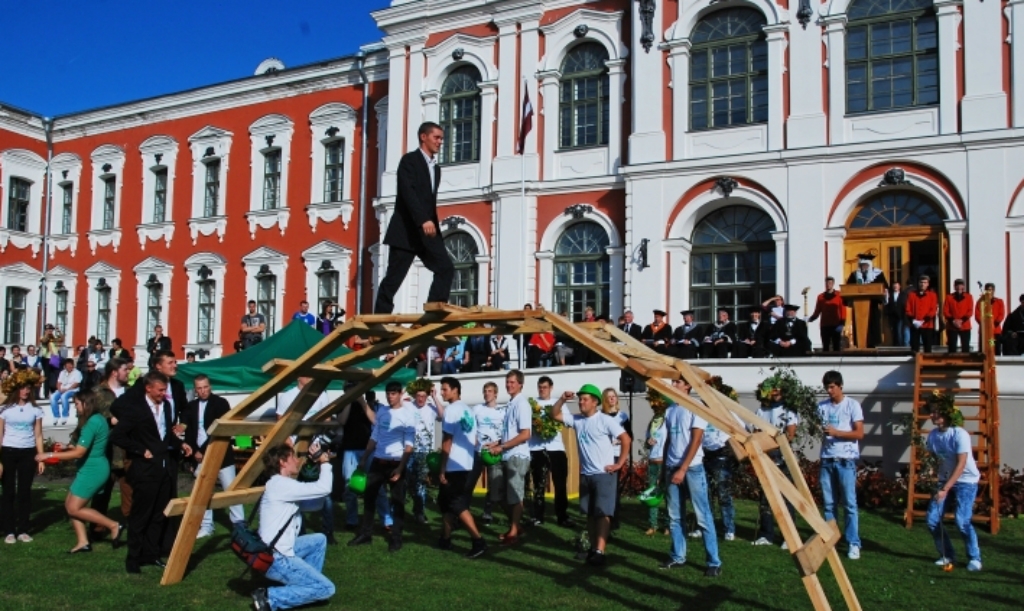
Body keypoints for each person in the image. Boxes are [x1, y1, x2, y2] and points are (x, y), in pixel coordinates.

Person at [109, 370, 194, 573]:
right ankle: (133, 558)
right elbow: (118, 436)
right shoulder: (135, 409)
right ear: (148, 388)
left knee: (159, 515)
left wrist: (181, 445)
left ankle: (151, 554)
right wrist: (140, 450)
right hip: (144, 469)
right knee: (141, 515)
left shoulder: (165, 406)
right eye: (160, 390)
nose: (163, 394)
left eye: (165, 390)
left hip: (163, 467)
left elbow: (164, 435)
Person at [374, 121, 454, 313]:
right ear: (423, 137)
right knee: (394, 278)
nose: (440, 142)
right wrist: (423, 219)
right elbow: (407, 193)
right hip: (407, 231)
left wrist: (431, 223)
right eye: (436, 137)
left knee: (445, 267)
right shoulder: (409, 161)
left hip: (427, 232)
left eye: (441, 138)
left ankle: (434, 309)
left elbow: (429, 200)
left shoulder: (436, 168)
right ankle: (379, 320)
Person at [550, 385, 629, 566]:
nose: (581, 402)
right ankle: (593, 549)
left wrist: (620, 463)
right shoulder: (577, 420)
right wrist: (562, 399)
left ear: (595, 402)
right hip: (586, 474)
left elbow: (626, 439)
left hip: (604, 474)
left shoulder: (604, 420)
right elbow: (554, 415)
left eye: (585, 399)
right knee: (590, 514)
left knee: (602, 513)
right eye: (580, 399)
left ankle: (600, 551)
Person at [35, 391, 124, 553]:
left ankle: (113, 525)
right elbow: (85, 447)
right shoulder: (99, 420)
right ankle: (83, 542)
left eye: (76, 404)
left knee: (74, 508)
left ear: (85, 404)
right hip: (91, 468)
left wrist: (48, 455)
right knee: (70, 505)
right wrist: (67, 447)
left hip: (93, 470)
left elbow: (79, 453)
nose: (75, 407)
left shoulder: (91, 423)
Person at [250, 444, 336, 611]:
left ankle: (308, 587)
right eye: (293, 457)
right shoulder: (282, 485)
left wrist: (317, 466)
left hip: (275, 551)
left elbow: (315, 504)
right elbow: (324, 488)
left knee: (319, 539)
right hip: (277, 559)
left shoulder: (281, 484)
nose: (297, 461)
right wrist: (324, 462)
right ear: (282, 462)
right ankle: (269, 598)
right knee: (328, 588)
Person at [658, 378, 721, 577]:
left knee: (703, 516)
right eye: (673, 381)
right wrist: (664, 471)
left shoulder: (696, 407)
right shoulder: (670, 410)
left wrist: (682, 469)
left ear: (688, 386)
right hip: (671, 467)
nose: (673, 384)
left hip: (692, 469)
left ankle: (714, 562)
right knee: (675, 516)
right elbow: (668, 441)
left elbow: (696, 440)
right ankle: (678, 556)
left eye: (678, 381)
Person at [349, 381, 416, 552]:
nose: (390, 396)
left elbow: (409, 446)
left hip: (396, 462)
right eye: (388, 393)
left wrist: (400, 469)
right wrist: (364, 459)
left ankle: (396, 538)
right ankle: (365, 534)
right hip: (378, 461)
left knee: (397, 502)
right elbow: (375, 436)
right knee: (369, 499)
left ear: (401, 394)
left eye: (393, 393)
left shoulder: (408, 416)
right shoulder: (383, 411)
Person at [925, 399, 982, 571]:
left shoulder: (959, 434)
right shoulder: (933, 435)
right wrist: (927, 471)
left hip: (966, 481)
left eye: (935, 412)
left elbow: (961, 464)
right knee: (932, 519)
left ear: (945, 415)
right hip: (945, 479)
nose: (931, 415)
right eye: (931, 412)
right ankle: (947, 555)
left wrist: (944, 489)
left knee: (962, 520)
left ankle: (975, 558)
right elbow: (932, 459)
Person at [184, 375, 244, 538]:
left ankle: (239, 525)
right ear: (195, 389)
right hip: (199, 456)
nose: (203, 391)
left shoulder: (221, 403)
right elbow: (190, 432)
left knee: (230, 490)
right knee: (203, 492)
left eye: (205, 387)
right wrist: (193, 453)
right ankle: (206, 525)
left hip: (221, 454)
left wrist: (202, 450)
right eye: (199, 388)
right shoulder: (191, 406)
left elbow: (219, 430)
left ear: (210, 387)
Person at [435, 377, 487, 558]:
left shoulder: (451, 410)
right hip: (467, 463)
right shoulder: (468, 410)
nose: (442, 392)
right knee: (446, 503)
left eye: (445, 389)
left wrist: (442, 468)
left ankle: (478, 540)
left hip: (454, 465)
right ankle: (445, 538)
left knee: (457, 504)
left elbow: (447, 441)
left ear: (455, 390)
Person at [483, 369, 532, 546]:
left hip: (517, 455)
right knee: (500, 495)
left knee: (515, 495)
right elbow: (511, 432)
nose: (509, 385)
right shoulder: (511, 404)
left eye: (512, 382)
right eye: (507, 381)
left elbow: (525, 434)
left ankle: (514, 530)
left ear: (520, 384)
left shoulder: (522, 404)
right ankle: (516, 526)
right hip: (506, 453)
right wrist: (496, 443)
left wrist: (502, 446)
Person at [818, 370, 863, 560]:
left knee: (849, 504)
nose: (829, 391)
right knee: (829, 504)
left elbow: (859, 433)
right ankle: (831, 540)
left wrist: (837, 432)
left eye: (832, 387)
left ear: (840, 386)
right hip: (827, 458)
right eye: (827, 387)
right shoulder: (822, 407)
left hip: (846, 460)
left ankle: (853, 543)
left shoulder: (852, 405)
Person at [749, 387, 799, 547]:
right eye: (772, 390)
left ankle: (788, 537)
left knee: (787, 499)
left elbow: (791, 434)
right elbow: (756, 433)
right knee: (766, 498)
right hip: (766, 459)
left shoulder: (789, 410)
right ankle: (766, 534)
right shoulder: (762, 411)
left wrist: (776, 442)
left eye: (778, 390)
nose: (775, 393)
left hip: (783, 458)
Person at [0, 369, 46, 543]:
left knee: (25, 492)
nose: (26, 391)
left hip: (28, 452)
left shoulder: (36, 410)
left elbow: (39, 435)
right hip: (8, 451)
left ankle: (23, 529)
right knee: (8, 492)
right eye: (23, 388)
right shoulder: (5, 410)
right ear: (16, 389)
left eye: (28, 388)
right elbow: (0, 434)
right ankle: (9, 530)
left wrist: (41, 456)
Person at [337, 392, 392, 532]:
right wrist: (349, 401)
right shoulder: (343, 403)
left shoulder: (370, 402)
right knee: (350, 486)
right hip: (349, 449)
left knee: (377, 486)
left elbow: (375, 421)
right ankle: (352, 520)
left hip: (370, 449)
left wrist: (363, 402)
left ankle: (387, 520)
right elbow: (341, 421)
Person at [528, 376, 570, 528]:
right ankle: (538, 516)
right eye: (540, 387)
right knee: (539, 484)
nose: (542, 390)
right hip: (537, 448)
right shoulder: (532, 404)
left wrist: (550, 424)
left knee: (560, 484)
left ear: (551, 388)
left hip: (556, 448)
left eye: (545, 387)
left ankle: (562, 516)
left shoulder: (558, 404)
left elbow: (565, 421)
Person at [700, 409, 745, 543]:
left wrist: (724, 440)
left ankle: (729, 529)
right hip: (705, 456)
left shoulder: (729, 413)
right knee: (705, 494)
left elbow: (741, 429)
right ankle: (706, 526)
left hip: (722, 456)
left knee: (723, 495)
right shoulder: (701, 411)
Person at [405, 382, 443, 524]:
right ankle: (400, 511)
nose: (421, 399)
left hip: (424, 451)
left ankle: (419, 512)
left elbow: (442, 414)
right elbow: (396, 405)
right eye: (418, 396)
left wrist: (434, 396)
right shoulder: (408, 405)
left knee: (421, 483)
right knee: (408, 482)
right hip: (409, 450)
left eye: (423, 396)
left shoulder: (431, 408)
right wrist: (404, 392)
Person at [474, 382, 504, 524]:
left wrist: (498, 444)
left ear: (496, 393)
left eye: (490, 391)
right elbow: (471, 428)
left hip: (494, 453)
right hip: (478, 452)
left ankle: (488, 513)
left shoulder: (503, 411)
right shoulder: (477, 409)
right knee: (469, 483)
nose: (487, 393)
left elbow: (506, 433)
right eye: (485, 391)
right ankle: (461, 511)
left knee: (495, 484)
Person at [602, 387, 631, 530]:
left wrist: (619, 441)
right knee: (604, 488)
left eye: (614, 396)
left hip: (617, 454)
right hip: (604, 455)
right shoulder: (601, 416)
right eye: (609, 396)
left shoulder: (623, 416)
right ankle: (603, 517)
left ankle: (614, 520)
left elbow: (629, 435)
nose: (612, 398)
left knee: (614, 489)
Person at [846, 253, 887, 347]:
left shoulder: (878, 274)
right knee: (859, 325)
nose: (864, 267)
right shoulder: (854, 275)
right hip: (859, 306)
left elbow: (884, 287)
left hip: (872, 305)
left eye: (865, 265)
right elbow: (848, 288)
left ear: (869, 265)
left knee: (872, 326)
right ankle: (860, 344)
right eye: (862, 265)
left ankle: (872, 344)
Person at [644, 400, 668, 536]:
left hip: (663, 461)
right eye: (654, 406)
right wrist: (648, 442)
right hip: (652, 461)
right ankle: (653, 524)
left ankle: (667, 524)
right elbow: (647, 443)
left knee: (666, 495)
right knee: (652, 493)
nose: (655, 408)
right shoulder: (652, 422)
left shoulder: (667, 421)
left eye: (658, 405)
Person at [808, 277, 846, 352]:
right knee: (825, 346)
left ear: (833, 284)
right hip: (825, 325)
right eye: (827, 283)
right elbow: (818, 310)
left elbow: (843, 309)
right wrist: (811, 318)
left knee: (836, 345)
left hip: (836, 324)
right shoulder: (820, 297)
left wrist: (842, 322)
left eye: (830, 283)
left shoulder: (839, 295)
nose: (828, 285)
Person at [906, 275, 938, 353]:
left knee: (927, 347)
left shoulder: (932, 295)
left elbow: (933, 309)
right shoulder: (912, 294)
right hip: (915, 324)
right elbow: (908, 308)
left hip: (927, 324)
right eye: (921, 282)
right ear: (918, 283)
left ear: (928, 284)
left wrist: (924, 320)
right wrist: (913, 320)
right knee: (914, 346)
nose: (922, 284)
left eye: (925, 282)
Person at [942, 279, 973, 353]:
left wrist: (961, 320)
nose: (959, 287)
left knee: (965, 347)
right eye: (957, 285)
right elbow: (945, 311)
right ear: (954, 287)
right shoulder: (949, 297)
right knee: (952, 347)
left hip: (965, 325)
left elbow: (970, 311)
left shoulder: (968, 297)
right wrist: (953, 321)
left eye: (961, 285)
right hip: (952, 326)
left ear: (964, 287)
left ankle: (965, 363)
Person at [974, 283, 1006, 355]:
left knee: (995, 349)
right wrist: (985, 323)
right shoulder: (980, 302)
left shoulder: (999, 301)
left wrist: (994, 323)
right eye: (987, 290)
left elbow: (1001, 314)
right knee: (984, 349)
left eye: (990, 290)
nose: (989, 292)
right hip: (984, 330)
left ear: (994, 291)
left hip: (995, 330)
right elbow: (977, 315)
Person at [51, 358, 83, 426]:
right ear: (65, 366)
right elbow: (58, 382)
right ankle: (56, 416)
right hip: (62, 389)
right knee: (53, 397)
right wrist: (59, 389)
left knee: (64, 396)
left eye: (70, 365)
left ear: (73, 365)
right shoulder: (62, 372)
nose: (69, 367)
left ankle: (65, 415)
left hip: (72, 390)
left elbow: (76, 384)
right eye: (67, 365)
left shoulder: (77, 373)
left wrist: (67, 389)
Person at [39, 323, 64, 397]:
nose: (50, 331)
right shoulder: (43, 337)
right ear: (45, 330)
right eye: (48, 329)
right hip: (46, 358)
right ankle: (46, 393)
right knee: (47, 376)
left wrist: (59, 331)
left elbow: (62, 339)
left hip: (55, 357)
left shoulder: (54, 337)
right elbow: (44, 341)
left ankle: (56, 391)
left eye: (51, 329)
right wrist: (47, 334)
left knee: (57, 375)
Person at [885, 281, 910, 347]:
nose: (895, 287)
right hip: (892, 315)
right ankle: (896, 343)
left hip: (901, 315)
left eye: (897, 286)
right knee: (894, 330)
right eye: (894, 286)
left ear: (900, 287)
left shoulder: (903, 294)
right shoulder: (890, 294)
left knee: (900, 330)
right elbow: (887, 304)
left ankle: (902, 344)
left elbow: (905, 304)